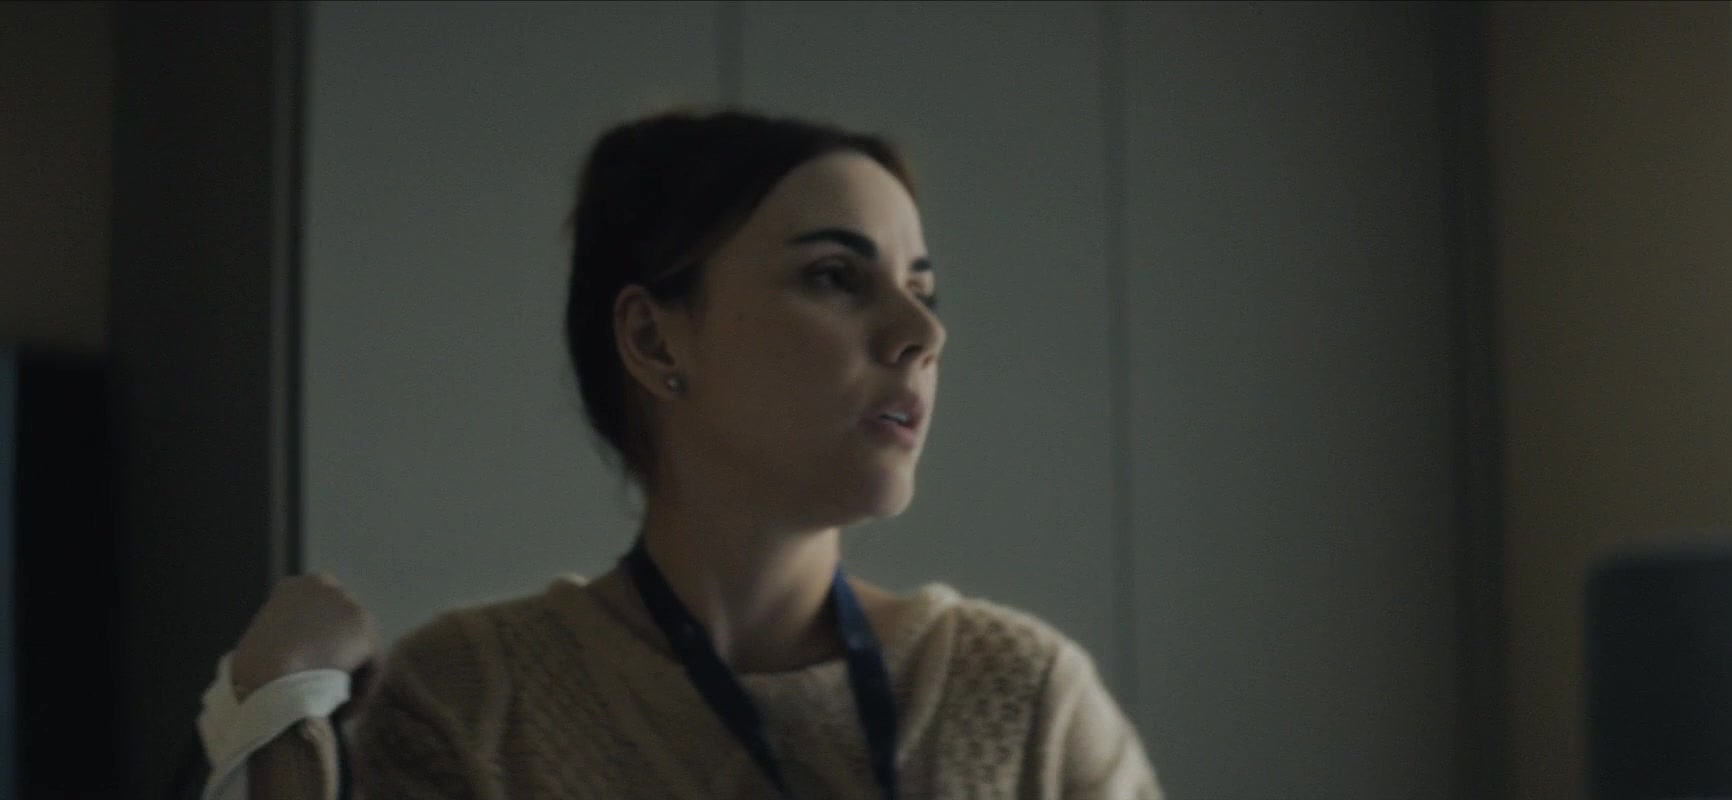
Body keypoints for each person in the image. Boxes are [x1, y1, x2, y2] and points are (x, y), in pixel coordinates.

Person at [196, 108, 1161, 800]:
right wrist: (280, 711)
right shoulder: (473, 701)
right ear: (655, 339)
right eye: (836, 276)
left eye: (923, 288)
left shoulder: (1023, 698)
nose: (923, 333)